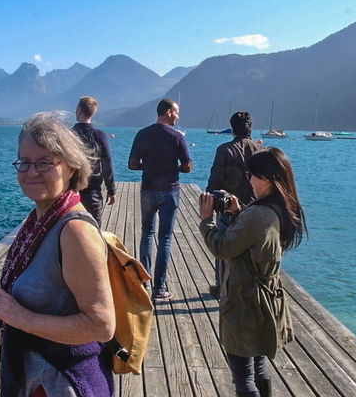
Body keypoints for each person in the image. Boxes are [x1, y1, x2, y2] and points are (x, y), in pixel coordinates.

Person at [0, 111, 116, 397]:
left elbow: (102, 326)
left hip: (65, 381)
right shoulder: (40, 220)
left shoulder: (74, 232)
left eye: (45, 162)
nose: (32, 172)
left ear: (70, 167)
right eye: (25, 162)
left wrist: (21, 318)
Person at [198, 147, 307, 397]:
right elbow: (254, 241)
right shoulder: (279, 208)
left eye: (251, 174)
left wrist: (206, 220)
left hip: (245, 301)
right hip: (266, 299)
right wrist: (238, 213)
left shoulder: (258, 214)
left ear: (266, 179)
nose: (248, 179)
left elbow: (222, 248)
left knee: (243, 377)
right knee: (259, 368)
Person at [128, 98, 193, 300]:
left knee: (147, 234)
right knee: (165, 238)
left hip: (148, 189)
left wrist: (146, 167)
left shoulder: (142, 134)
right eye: (176, 112)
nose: (178, 116)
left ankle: (143, 282)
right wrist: (178, 168)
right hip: (170, 191)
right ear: (167, 112)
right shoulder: (176, 137)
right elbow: (188, 165)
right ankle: (159, 289)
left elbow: (131, 164)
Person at [206, 111, 263, 299]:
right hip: (254, 208)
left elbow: (215, 179)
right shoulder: (259, 150)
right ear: (250, 128)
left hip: (228, 206)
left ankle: (222, 286)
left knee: (223, 248)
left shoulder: (224, 150)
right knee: (251, 248)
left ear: (232, 129)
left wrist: (211, 201)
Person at [72, 96, 116, 227]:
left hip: (71, 191)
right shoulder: (100, 135)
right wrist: (111, 190)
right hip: (93, 193)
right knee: (94, 231)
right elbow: (107, 163)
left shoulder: (69, 134)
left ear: (79, 111)